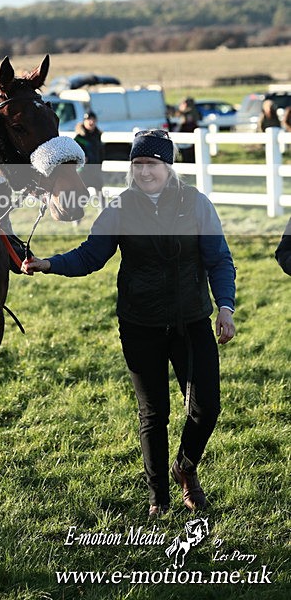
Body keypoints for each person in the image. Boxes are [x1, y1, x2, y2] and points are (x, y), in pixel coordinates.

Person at [21, 129, 236, 517]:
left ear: (168, 167)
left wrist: (225, 307)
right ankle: (159, 499)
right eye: (137, 165)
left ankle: (185, 468)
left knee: (207, 407)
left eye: (151, 164)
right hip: (140, 324)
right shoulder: (119, 209)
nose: (144, 172)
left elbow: (219, 259)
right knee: (153, 413)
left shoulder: (196, 204)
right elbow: (90, 256)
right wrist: (49, 264)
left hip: (191, 320)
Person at [74, 111, 106, 208]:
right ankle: (77, 216)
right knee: (81, 194)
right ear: (84, 121)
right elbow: (74, 153)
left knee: (100, 194)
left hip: (95, 169)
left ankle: (104, 214)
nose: (91, 122)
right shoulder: (79, 137)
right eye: (89, 120)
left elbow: (101, 152)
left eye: (93, 120)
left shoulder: (97, 136)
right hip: (83, 171)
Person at [176, 97, 201, 163]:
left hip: (187, 135)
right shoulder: (195, 111)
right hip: (190, 133)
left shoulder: (187, 113)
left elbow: (184, 123)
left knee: (187, 154)